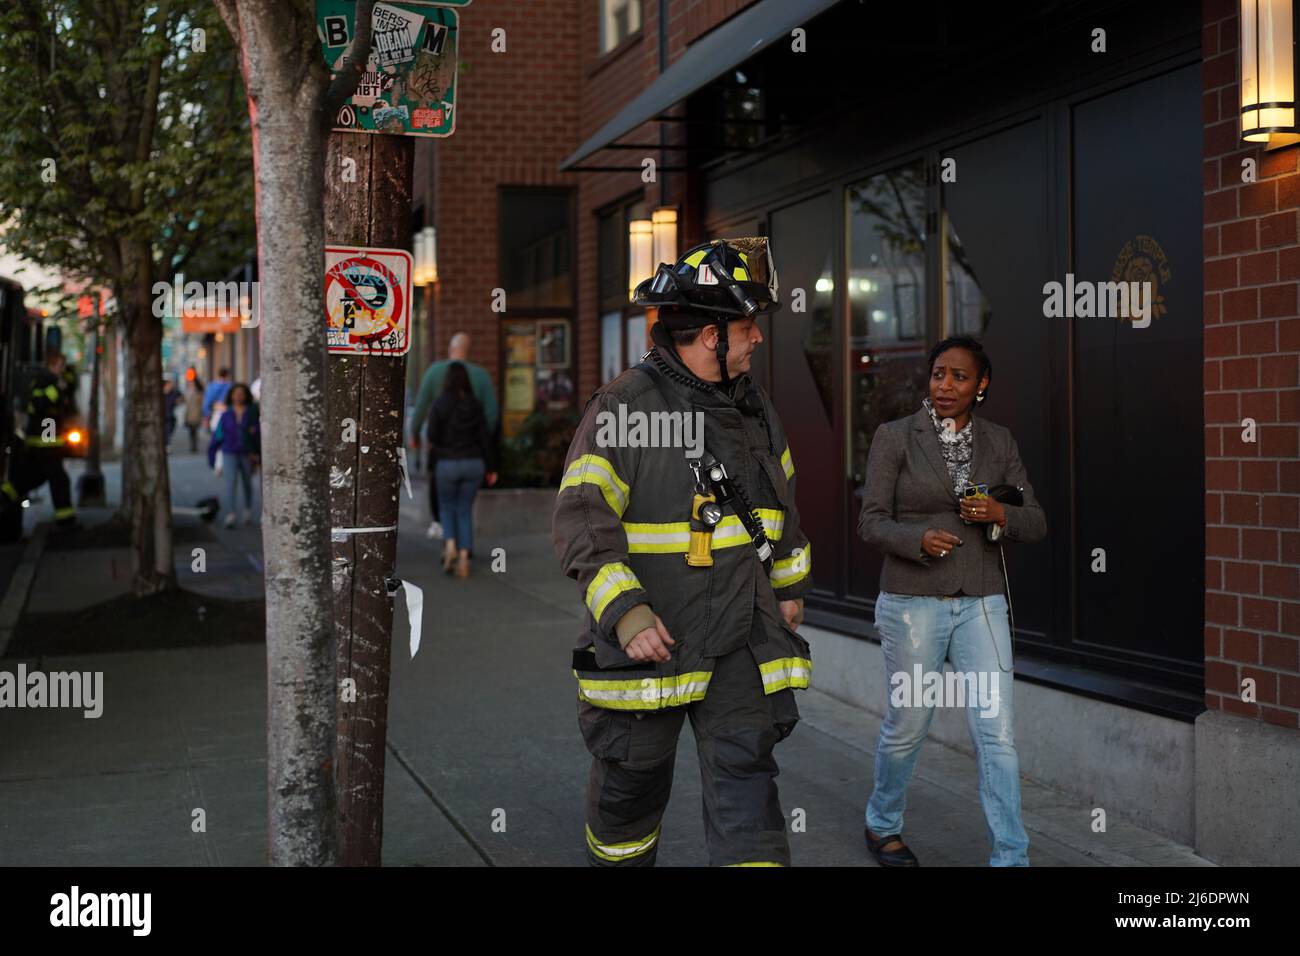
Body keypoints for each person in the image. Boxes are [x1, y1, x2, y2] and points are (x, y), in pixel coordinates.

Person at [554, 239, 813, 867]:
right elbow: (582, 519)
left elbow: (783, 507)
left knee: (748, 787)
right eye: (747, 327)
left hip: (739, 638)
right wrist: (629, 614)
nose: (757, 340)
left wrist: (787, 586)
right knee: (629, 792)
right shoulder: (626, 407)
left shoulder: (754, 408)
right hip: (654, 638)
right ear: (708, 335)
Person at [857, 335, 1046, 868]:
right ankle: (882, 823)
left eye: (959, 376)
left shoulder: (999, 442)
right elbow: (870, 521)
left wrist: (1000, 514)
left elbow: (1037, 521)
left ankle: (1012, 856)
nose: (945, 385)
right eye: (939, 373)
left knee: (997, 733)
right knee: (909, 723)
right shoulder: (895, 437)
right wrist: (915, 541)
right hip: (913, 600)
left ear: (980, 385)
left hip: (983, 601)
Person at [410, 333, 499, 540]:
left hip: (443, 455)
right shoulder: (481, 376)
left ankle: (442, 532)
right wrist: (481, 443)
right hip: (474, 454)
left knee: (446, 502)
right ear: (468, 351)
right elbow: (492, 415)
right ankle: (465, 551)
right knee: (465, 508)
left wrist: (415, 435)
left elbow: (421, 408)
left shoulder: (434, 372)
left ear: (450, 349)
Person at [430, 362, 498, 577]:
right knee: (465, 510)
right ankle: (463, 556)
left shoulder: (439, 404)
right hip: (473, 463)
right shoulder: (476, 405)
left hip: (447, 463)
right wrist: (491, 467)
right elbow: (485, 438)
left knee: (447, 507)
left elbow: (432, 435)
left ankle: (450, 545)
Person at [13, 349, 80, 529]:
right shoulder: (45, 380)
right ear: (51, 365)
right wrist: (56, 390)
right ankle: (66, 521)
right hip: (44, 439)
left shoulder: (53, 380)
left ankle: (8, 495)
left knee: (34, 478)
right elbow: (36, 405)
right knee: (59, 479)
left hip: (46, 438)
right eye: (60, 365)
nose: (62, 369)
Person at [207, 383, 260, 528]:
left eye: (241, 393)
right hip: (229, 452)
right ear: (231, 396)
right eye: (235, 393)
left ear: (246, 396)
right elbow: (217, 437)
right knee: (230, 484)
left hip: (247, 453)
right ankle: (231, 514)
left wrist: (257, 455)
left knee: (247, 483)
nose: (238, 396)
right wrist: (213, 459)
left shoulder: (252, 412)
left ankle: (248, 510)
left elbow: (258, 435)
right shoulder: (225, 415)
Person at [184, 378, 204, 453]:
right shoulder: (187, 393)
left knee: (195, 431)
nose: (191, 386)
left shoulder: (199, 393)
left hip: (196, 415)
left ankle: (194, 446)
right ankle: (192, 446)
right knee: (191, 432)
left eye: (192, 384)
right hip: (189, 415)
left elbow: (201, 403)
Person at [162, 378, 181, 452]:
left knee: (170, 430)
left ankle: (167, 444)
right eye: (169, 385)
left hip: (171, 415)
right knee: (166, 431)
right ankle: (167, 445)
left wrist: (178, 401)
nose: (170, 386)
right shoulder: (161, 394)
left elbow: (180, 397)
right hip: (164, 416)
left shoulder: (174, 393)